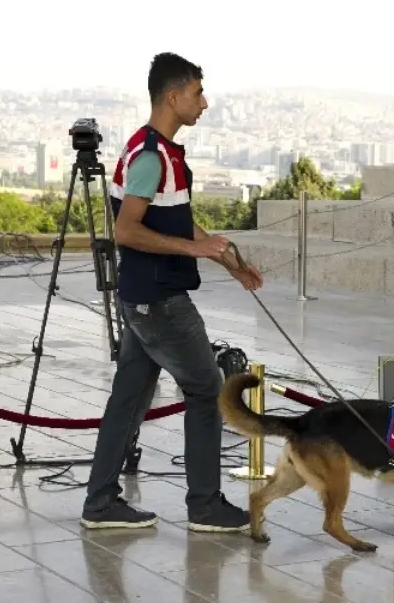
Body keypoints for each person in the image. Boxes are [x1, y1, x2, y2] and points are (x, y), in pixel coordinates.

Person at [81, 52, 264, 532]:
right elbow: (126, 230)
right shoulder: (150, 157)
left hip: (142, 296)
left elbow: (178, 222)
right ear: (173, 96)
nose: (204, 102)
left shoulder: (156, 151)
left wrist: (229, 262)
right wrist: (193, 250)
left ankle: (100, 502)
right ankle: (205, 505)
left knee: (128, 399)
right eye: (198, 92)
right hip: (159, 300)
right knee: (207, 389)